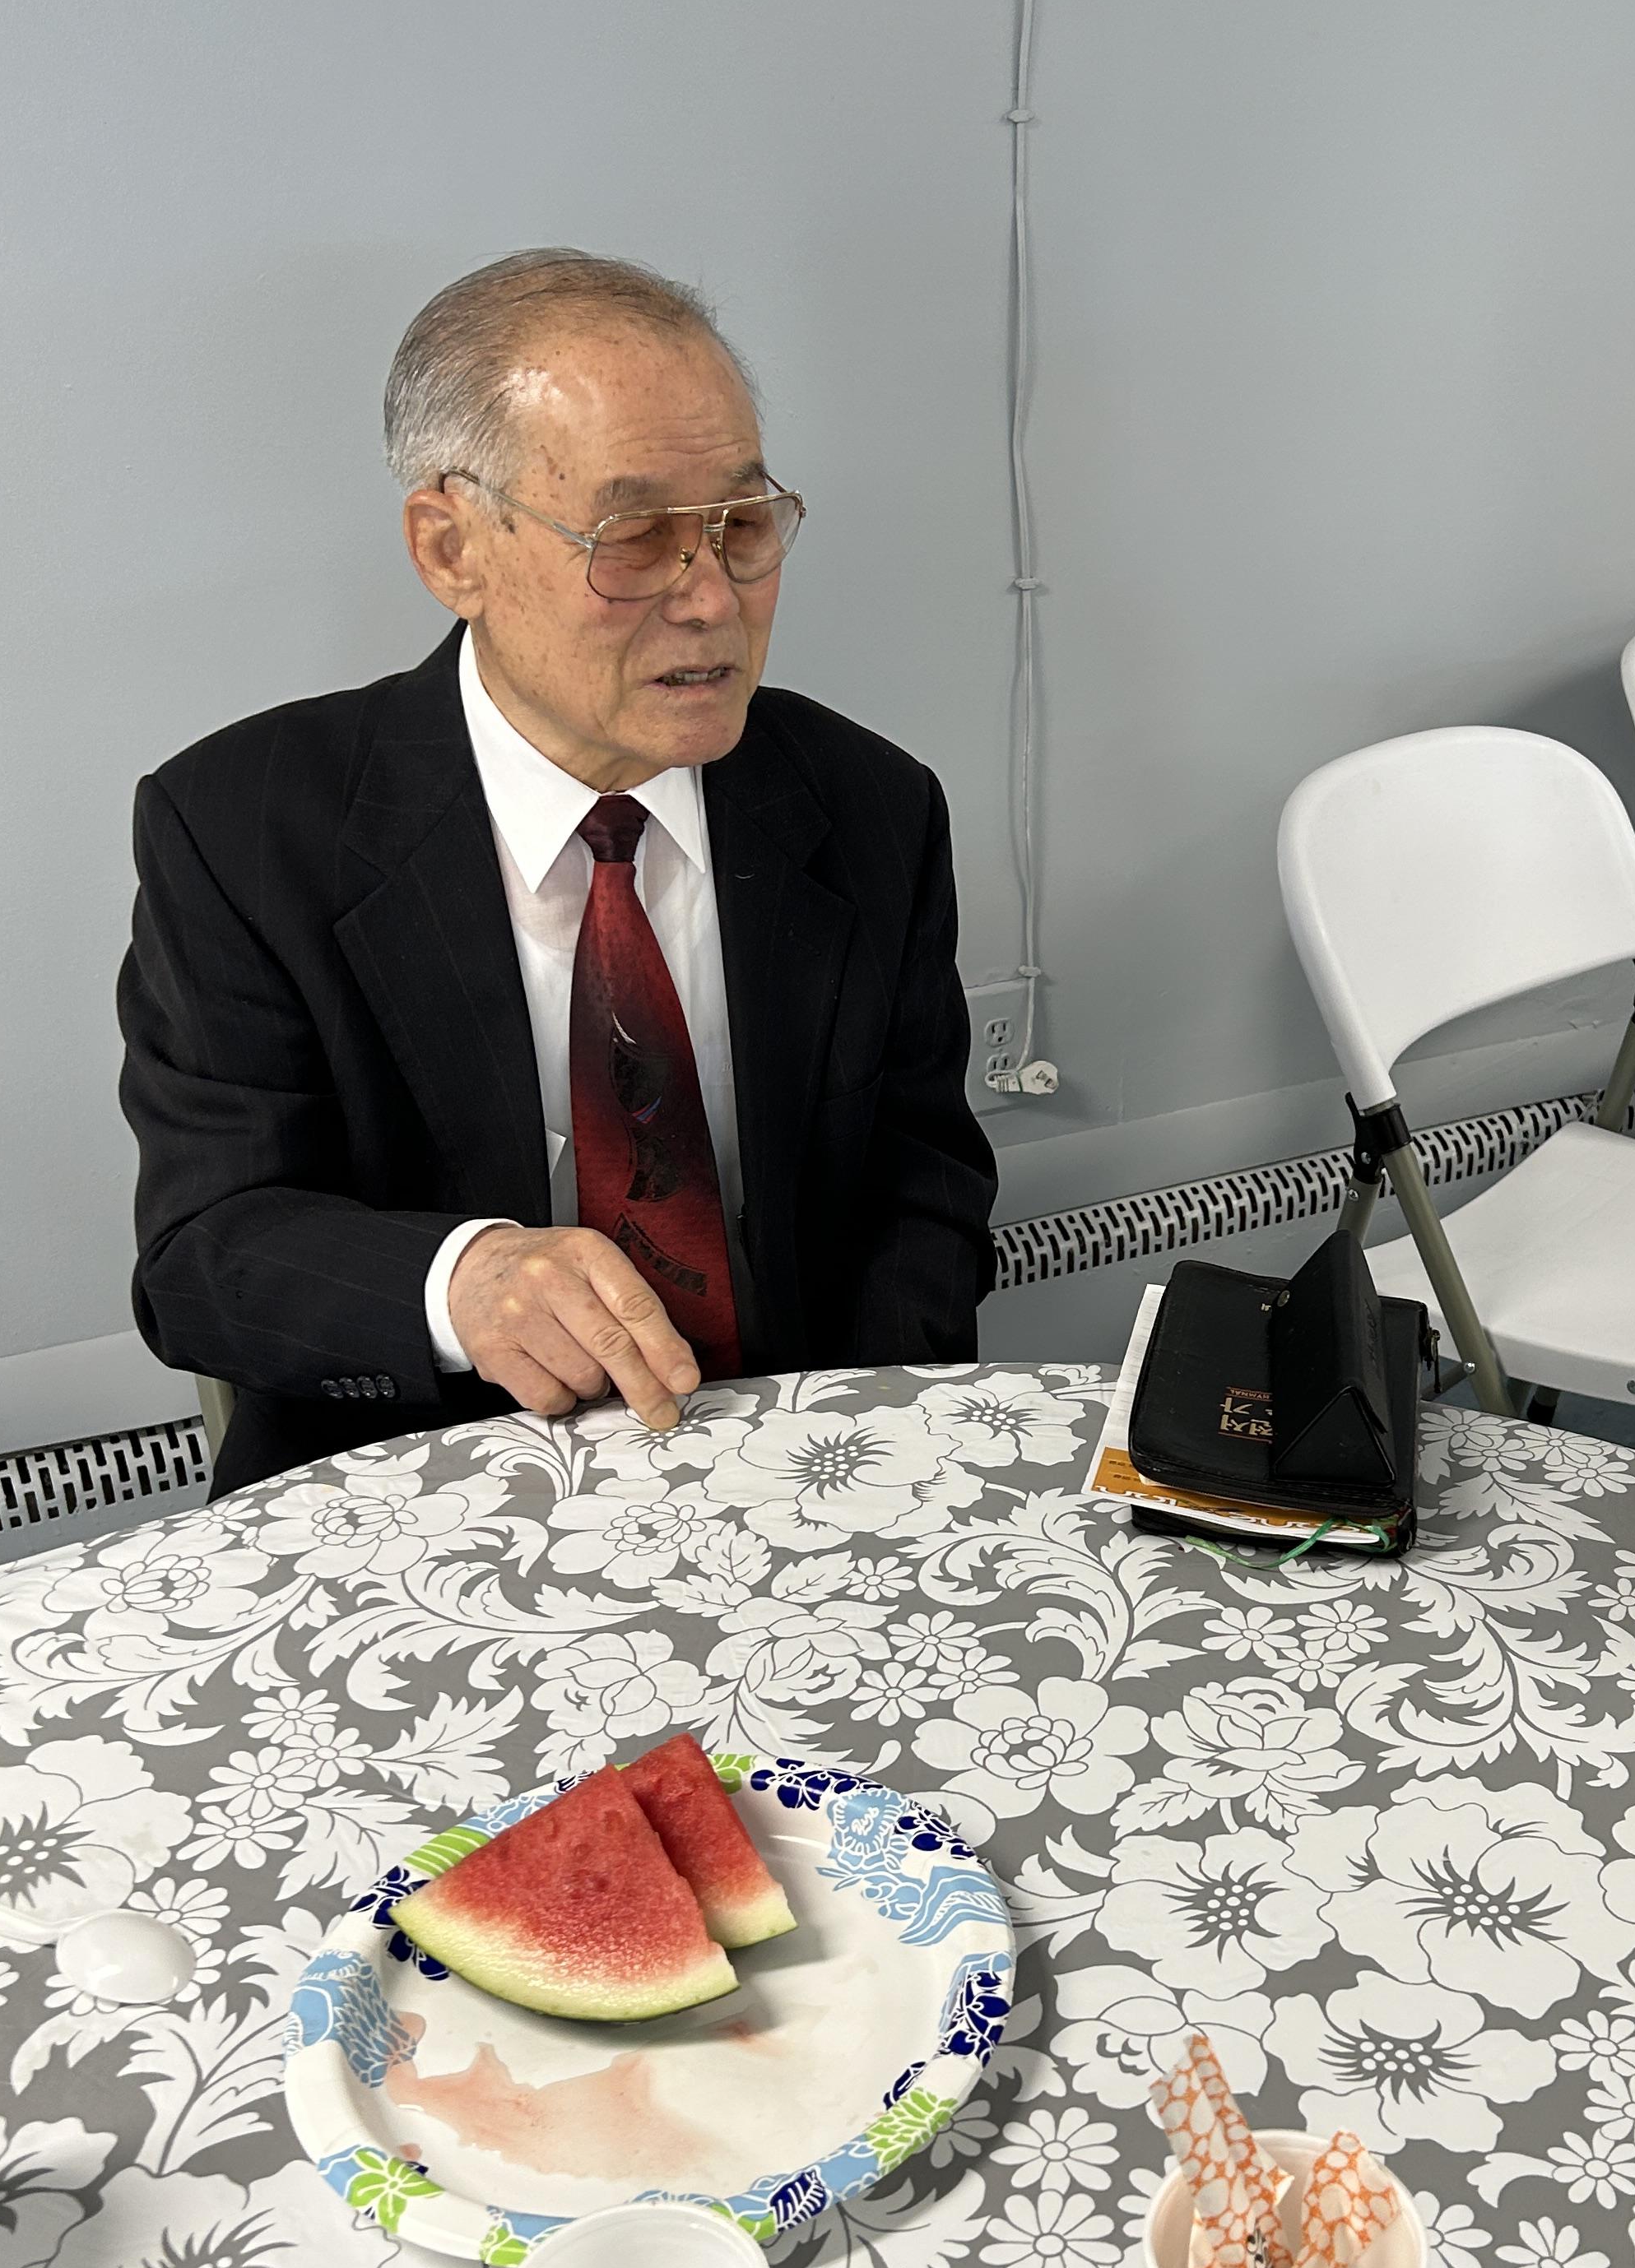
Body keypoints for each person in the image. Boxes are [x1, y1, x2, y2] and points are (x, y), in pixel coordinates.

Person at [121, 248, 995, 1496]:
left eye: (742, 528)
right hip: (414, 1499)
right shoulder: (245, 829)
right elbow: (206, 1254)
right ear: (450, 548)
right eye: (635, 540)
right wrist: (460, 1282)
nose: (712, 600)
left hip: (800, 1467)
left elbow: (923, 1193)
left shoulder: (869, 806)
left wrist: (852, 1459)